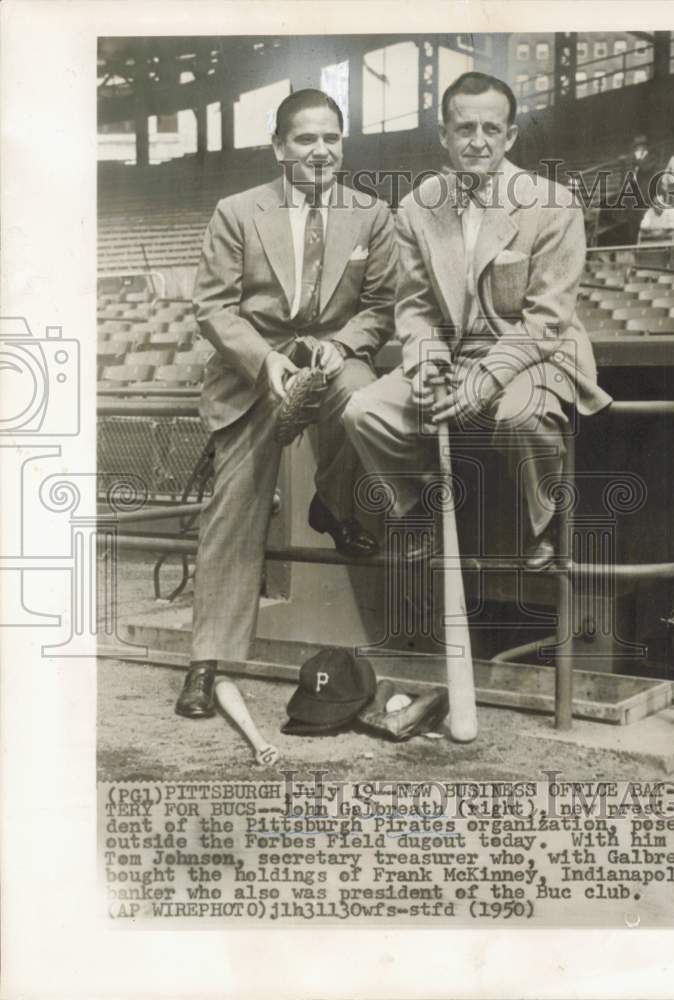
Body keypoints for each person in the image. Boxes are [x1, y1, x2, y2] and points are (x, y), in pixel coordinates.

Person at [175, 88, 397, 719]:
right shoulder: (237, 211)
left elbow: (380, 307)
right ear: (279, 147)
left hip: (331, 365)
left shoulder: (372, 215)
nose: (320, 151)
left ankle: (330, 499)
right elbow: (212, 307)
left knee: (364, 397)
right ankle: (206, 663)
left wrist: (342, 344)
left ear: (342, 146)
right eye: (305, 139)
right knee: (234, 509)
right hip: (254, 376)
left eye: (331, 138)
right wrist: (265, 359)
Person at [343, 72, 611, 571]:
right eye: (464, 129)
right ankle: (419, 507)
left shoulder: (553, 203)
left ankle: (545, 520)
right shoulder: (417, 207)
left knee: (520, 412)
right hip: (451, 358)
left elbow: (547, 320)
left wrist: (487, 377)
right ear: (443, 135)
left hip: (534, 354)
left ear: (510, 136)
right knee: (365, 411)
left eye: (491, 129)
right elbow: (416, 307)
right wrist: (425, 364)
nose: (478, 141)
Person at [621, 133, 660, 244]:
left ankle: (644, 246)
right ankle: (633, 246)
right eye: (636, 146)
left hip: (645, 195)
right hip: (632, 196)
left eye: (639, 146)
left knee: (644, 222)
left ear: (644, 147)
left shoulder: (652, 157)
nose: (637, 149)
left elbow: (645, 169)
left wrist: (637, 159)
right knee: (632, 223)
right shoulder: (633, 159)